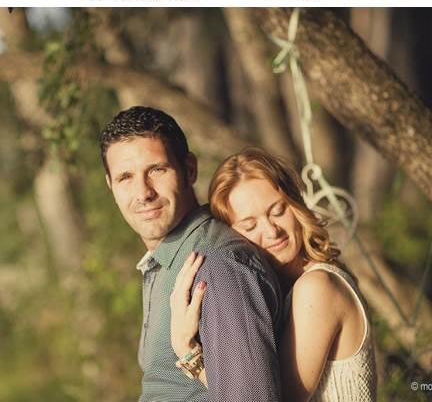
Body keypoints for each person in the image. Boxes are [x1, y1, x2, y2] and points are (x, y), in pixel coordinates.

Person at [99, 107, 284, 401]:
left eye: (156, 170)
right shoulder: (166, 259)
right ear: (111, 185)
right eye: (125, 178)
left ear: (190, 169)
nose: (143, 192)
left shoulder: (219, 265)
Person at [169, 149, 376, 402]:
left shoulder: (317, 286)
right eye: (250, 225)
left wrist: (188, 352)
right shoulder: (288, 289)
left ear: (295, 204)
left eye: (277, 211)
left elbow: (269, 397)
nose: (271, 231)